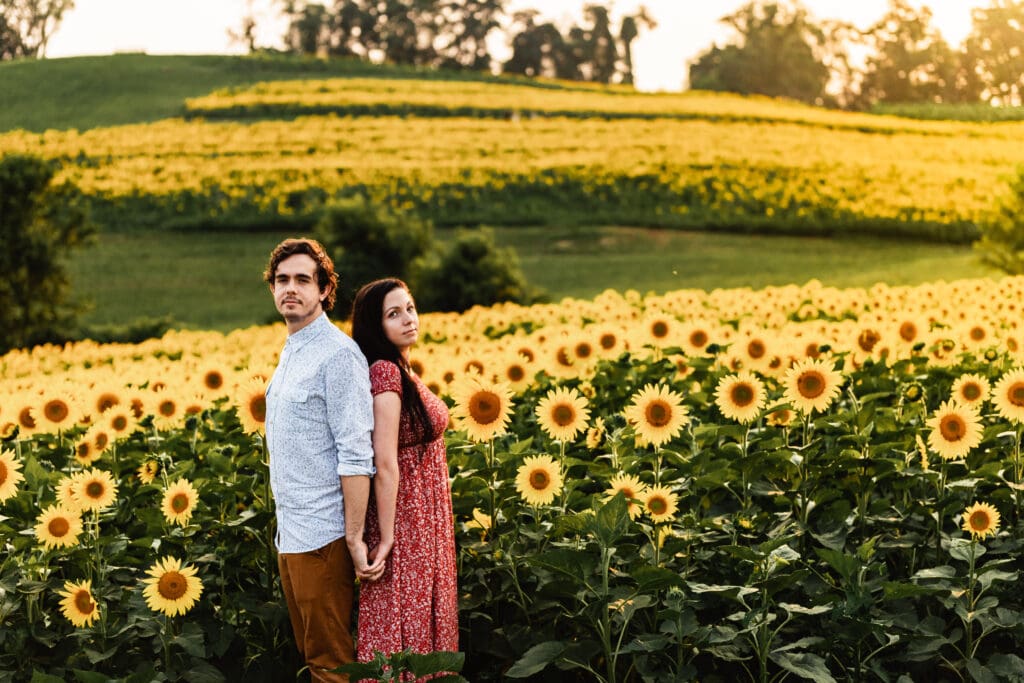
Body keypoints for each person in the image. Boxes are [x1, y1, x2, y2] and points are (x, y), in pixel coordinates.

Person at [263, 238, 379, 682]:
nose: (290, 289)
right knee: (313, 658)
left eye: (302, 280)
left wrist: (352, 535)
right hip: (291, 532)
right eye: (282, 280)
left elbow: (356, 452)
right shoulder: (293, 347)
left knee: (331, 666)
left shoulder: (337, 355)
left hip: (323, 535)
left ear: (325, 290)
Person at [350, 278, 459, 667]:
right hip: (407, 519)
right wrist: (390, 533)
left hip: (425, 519)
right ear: (373, 326)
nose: (408, 319)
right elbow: (384, 459)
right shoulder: (385, 372)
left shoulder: (400, 368)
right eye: (393, 314)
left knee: (418, 621)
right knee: (403, 624)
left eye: (410, 308)